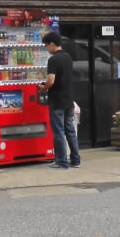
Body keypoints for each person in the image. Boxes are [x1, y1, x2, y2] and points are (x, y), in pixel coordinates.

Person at [41, 32, 81, 170]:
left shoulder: (53, 60)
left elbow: (51, 80)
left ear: (52, 44)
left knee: (58, 131)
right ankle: (75, 160)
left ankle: (61, 162)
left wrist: (43, 87)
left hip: (57, 100)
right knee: (70, 130)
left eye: (46, 45)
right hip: (69, 100)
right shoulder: (67, 57)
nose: (46, 48)